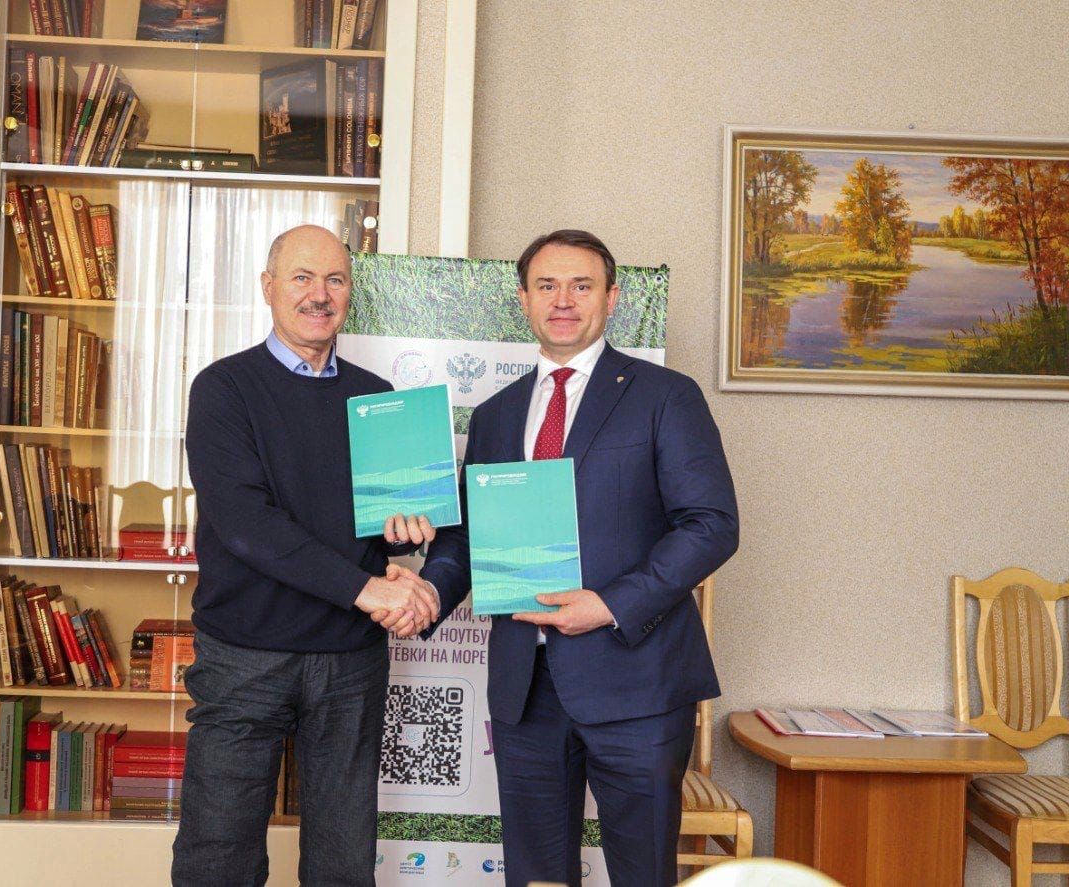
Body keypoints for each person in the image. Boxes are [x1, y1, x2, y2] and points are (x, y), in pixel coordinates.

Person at [393, 229, 739, 887]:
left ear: (612, 297)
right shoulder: (495, 415)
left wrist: (609, 604)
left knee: (642, 875)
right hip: (526, 690)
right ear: (523, 298)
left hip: (637, 683)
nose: (563, 300)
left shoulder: (666, 396)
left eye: (581, 285)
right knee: (537, 878)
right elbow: (466, 538)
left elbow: (712, 525)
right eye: (546, 285)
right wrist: (429, 593)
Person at [173, 224, 440, 886]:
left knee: (343, 862)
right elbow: (246, 525)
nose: (319, 294)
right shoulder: (224, 388)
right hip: (244, 658)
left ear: (350, 293)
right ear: (268, 287)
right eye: (302, 277)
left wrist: (408, 536)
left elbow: (382, 531)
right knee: (218, 856)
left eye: (335, 280)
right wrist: (366, 588)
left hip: (350, 661)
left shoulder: (380, 399)